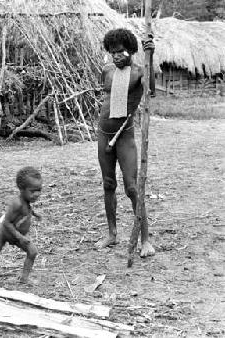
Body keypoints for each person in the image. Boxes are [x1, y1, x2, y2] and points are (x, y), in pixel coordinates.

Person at [95, 28, 155, 258]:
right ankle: (112, 234)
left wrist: (152, 55)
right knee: (108, 184)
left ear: (130, 50)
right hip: (103, 133)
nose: (116, 56)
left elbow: (150, 89)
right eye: (112, 52)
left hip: (125, 136)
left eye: (120, 52)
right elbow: (107, 96)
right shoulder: (107, 70)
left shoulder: (140, 72)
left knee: (132, 187)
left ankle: (145, 240)